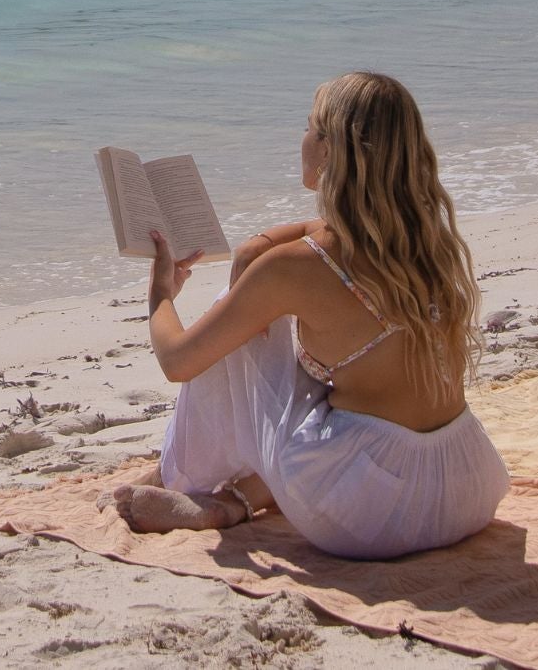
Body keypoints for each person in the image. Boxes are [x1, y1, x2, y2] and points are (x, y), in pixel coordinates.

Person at [105, 71, 510, 559]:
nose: (301, 138)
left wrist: (161, 293)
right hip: (465, 488)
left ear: (330, 149)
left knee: (233, 321)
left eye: (308, 127)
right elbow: (321, 226)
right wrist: (253, 247)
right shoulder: (423, 236)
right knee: (294, 355)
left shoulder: (298, 268)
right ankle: (233, 502)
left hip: (364, 518)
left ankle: (177, 478)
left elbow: (177, 361)